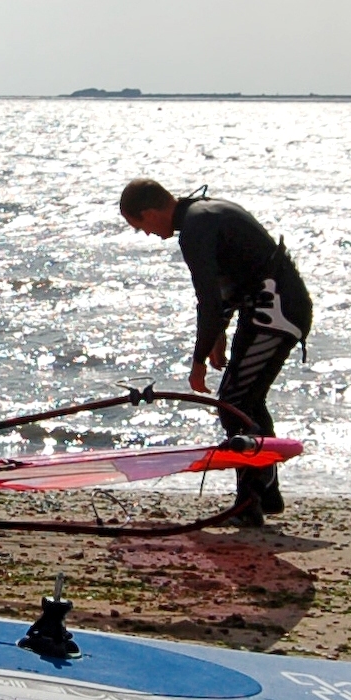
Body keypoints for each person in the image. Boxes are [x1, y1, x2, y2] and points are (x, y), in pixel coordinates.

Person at [118, 178, 312, 526]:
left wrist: (198, 363)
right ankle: (263, 497)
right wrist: (218, 336)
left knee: (236, 403)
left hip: (277, 310)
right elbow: (234, 280)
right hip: (272, 306)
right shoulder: (203, 214)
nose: (146, 234)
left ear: (149, 212)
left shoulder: (194, 230)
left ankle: (251, 501)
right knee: (245, 401)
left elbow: (208, 299)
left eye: (140, 226)